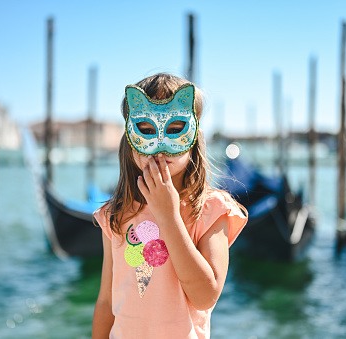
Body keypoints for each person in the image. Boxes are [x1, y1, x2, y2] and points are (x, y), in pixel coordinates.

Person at [92, 73, 247, 339]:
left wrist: (169, 217)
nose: (158, 146)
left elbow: (205, 296)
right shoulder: (115, 214)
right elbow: (106, 301)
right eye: (146, 130)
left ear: (194, 136)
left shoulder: (211, 210)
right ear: (129, 137)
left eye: (175, 130)